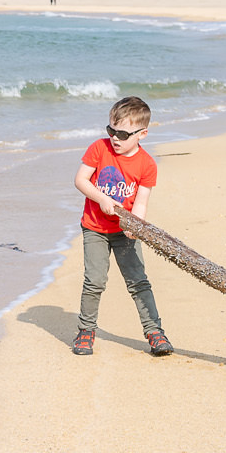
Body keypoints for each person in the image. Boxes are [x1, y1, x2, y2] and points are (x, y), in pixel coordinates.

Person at [70, 96, 171, 357]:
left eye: (123, 134)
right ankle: (85, 330)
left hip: (124, 232)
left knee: (138, 281)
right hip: (94, 227)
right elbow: (81, 180)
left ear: (142, 134)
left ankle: (154, 332)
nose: (115, 138)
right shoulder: (99, 149)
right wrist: (102, 199)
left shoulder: (147, 164)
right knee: (94, 281)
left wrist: (134, 226)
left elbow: (141, 202)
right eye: (111, 130)